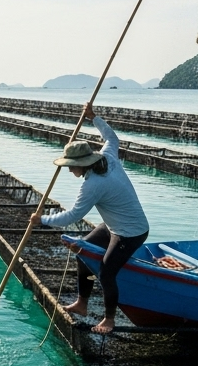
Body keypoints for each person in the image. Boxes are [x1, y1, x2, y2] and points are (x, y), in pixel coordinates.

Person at [29, 104, 149, 334]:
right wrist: (94, 118)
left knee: (106, 272)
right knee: (82, 252)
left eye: (71, 166)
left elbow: (72, 216)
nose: (69, 170)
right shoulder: (107, 156)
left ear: (81, 165)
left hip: (131, 232)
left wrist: (41, 220)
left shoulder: (93, 185)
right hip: (115, 225)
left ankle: (109, 319)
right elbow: (112, 137)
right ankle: (82, 303)